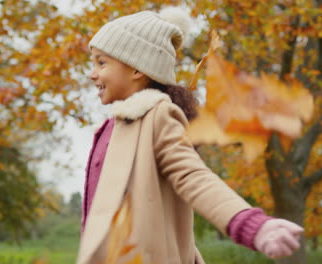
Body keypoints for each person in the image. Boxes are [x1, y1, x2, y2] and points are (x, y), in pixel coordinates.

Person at [77, 6, 304, 264]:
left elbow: (192, 175)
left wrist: (250, 224)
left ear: (137, 69)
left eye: (101, 62)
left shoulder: (157, 117)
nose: (92, 73)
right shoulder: (111, 128)